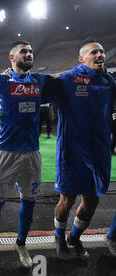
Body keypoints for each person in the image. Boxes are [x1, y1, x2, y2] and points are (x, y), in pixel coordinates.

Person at [0, 40, 54, 270]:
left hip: (31, 153)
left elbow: (66, 80)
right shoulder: (1, 79)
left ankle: (21, 244)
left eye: (31, 51)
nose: (28, 54)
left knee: (29, 202)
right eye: (24, 51)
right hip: (5, 152)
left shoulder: (40, 80)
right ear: (11, 57)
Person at [51, 38, 116, 260]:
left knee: (92, 201)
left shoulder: (109, 82)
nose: (100, 55)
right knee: (66, 200)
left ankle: (74, 237)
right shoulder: (68, 79)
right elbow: (39, 85)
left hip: (99, 151)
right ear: (81, 58)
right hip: (72, 150)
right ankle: (59, 238)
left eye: (102, 52)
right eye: (94, 52)